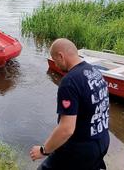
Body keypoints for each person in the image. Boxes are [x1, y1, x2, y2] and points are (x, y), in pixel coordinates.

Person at [30, 38, 110, 170]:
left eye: (55, 60)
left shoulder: (69, 82)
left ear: (61, 56)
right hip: (102, 141)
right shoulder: (95, 72)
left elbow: (66, 129)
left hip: (80, 149)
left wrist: (44, 150)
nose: (56, 64)